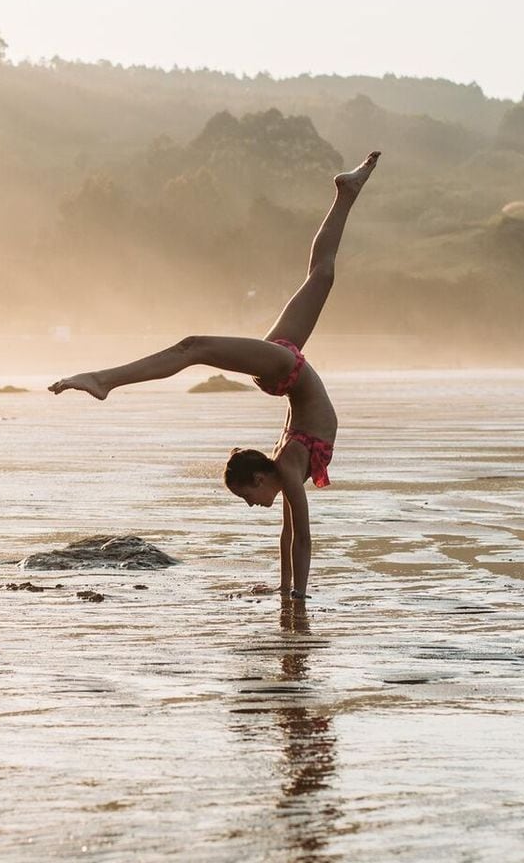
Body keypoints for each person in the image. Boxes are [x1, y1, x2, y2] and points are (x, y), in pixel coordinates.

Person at [49, 151, 381, 601]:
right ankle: (346, 193)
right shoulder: (286, 469)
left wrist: (294, 599)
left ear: (261, 479)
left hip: (285, 368)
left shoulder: (285, 467)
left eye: (247, 497)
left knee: (195, 346)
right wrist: (288, 594)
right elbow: (292, 539)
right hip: (285, 371)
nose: (251, 505)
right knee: (320, 277)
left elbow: (300, 539)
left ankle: (104, 380)